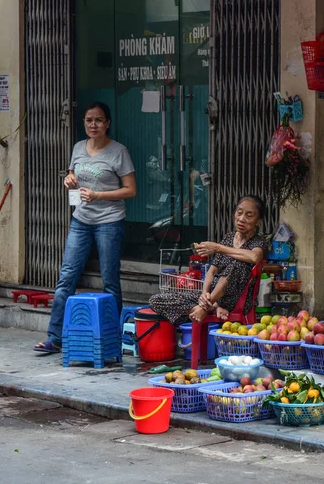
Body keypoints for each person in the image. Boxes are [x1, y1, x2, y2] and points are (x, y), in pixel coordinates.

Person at [34, 102, 136, 353]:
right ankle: (55, 337)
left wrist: (98, 195)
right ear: (84, 123)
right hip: (81, 220)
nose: (93, 125)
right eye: (89, 120)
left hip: (109, 221)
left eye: (99, 120)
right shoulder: (78, 147)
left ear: (107, 123)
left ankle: (115, 337)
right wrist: (68, 180)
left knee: (110, 281)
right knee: (66, 278)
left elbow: (130, 190)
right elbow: (73, 179)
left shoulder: (118, 151)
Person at [149, 196, 268, 325]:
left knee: (237, 263)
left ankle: (204, 308)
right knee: (157, 299)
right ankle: (207, 308)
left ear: (258, 221)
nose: (241, 219)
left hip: (236, 300)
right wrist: (205, 294)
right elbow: (212, 271)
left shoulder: (258, 241)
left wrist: (218, 247)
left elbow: (255, 257)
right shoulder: (229, 237)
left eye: (249, 216)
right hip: (212, 297)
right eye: (239, 213)